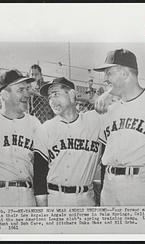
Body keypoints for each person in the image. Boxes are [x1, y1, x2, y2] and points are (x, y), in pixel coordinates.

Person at [93, 48, 145, 206]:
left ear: (124, 74)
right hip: (110, 186)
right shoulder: (112, 109)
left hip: (143, 183)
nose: (105, 79)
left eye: (109, 73)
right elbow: (105, 151)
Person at [33, 77, 103, 207]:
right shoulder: (45, 129)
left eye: (56, 94)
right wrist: (42, 211)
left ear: (71, 95)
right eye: (49, 97)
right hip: (55, 198)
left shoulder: (95, 121)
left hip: (86, 198)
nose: (52, 101)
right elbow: (39, 175)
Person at [0, 69, 40, 207]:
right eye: (20, 90)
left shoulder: (35, 123)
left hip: (26, 195)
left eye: (27, 89)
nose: (27, 94)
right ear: (4, 95)